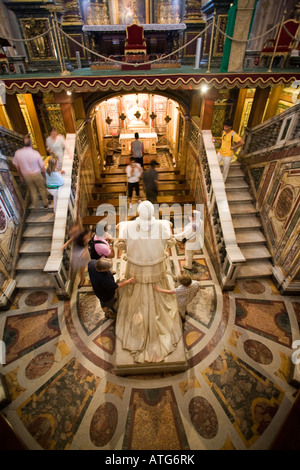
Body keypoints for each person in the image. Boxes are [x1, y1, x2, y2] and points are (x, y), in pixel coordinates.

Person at [115, 200, 182, 363]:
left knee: (135, 297)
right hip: (155, 267)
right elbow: (170, 242)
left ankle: (137, 333)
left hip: (136, 267)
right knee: (158, 296)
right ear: (152, 212)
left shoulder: (127, 226)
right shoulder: (163, 225)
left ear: (138, 212)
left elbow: (121, 246)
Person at [12, 136, 50, 209]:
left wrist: (20, 175)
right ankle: (45, 203)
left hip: (26, 175)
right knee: (42, 188)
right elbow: (42, 166)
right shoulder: (35, 153)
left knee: (32, 189)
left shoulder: (18, 153)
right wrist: (45, 175)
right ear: (31, 144)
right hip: (36, 174)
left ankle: (35, 205)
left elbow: (16, 165)